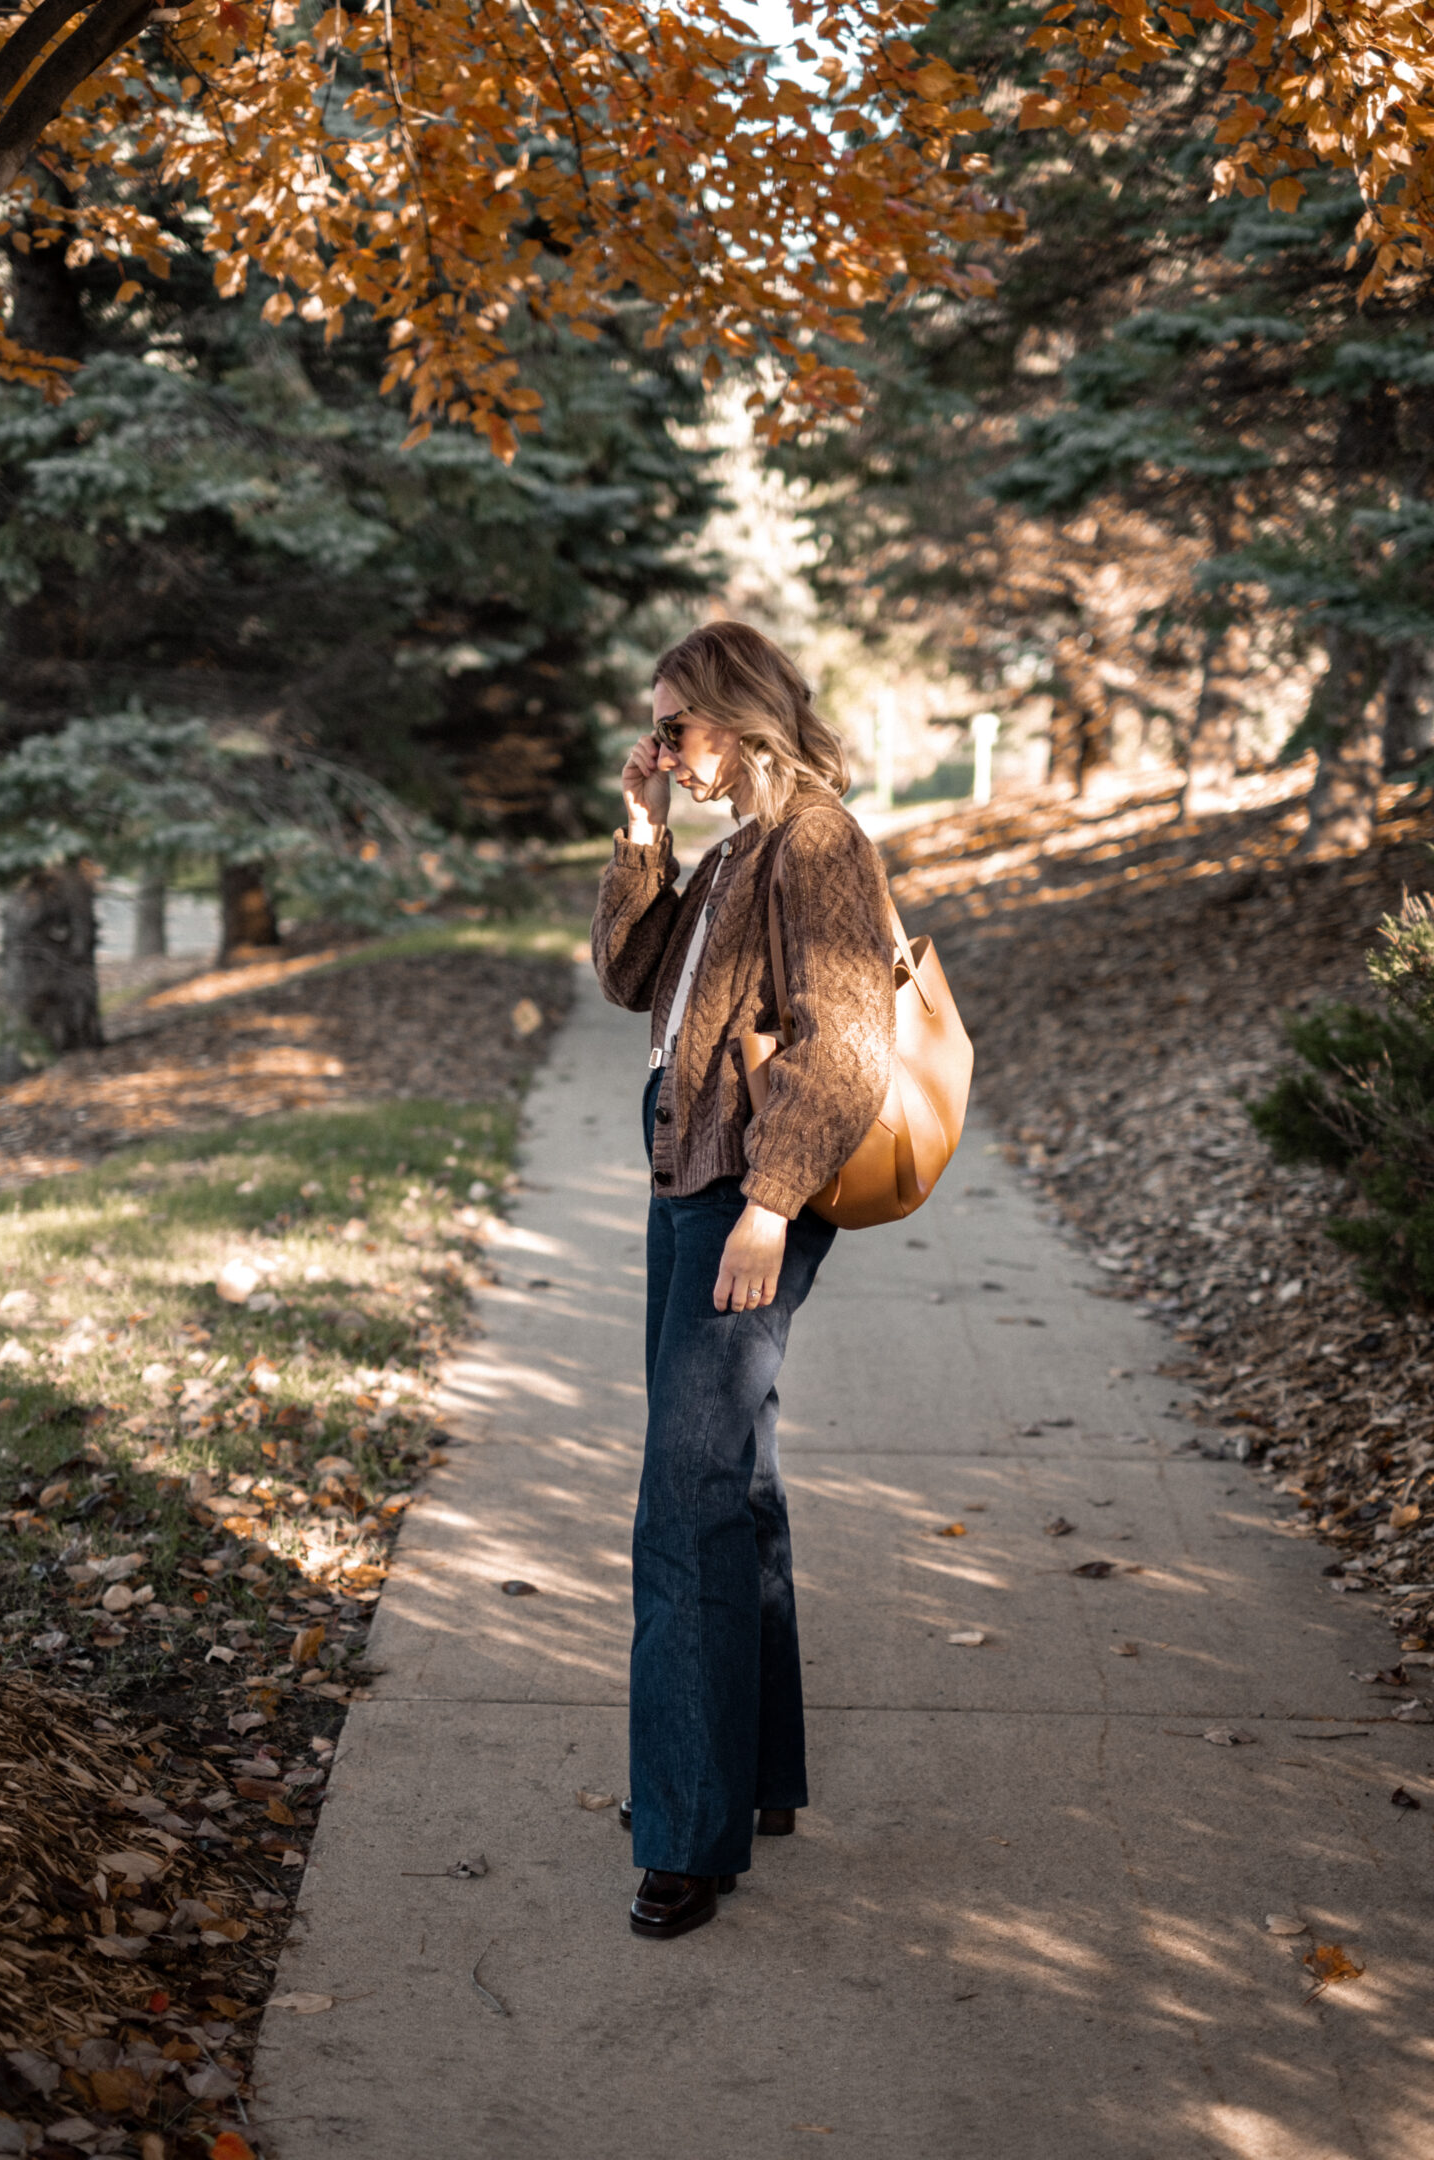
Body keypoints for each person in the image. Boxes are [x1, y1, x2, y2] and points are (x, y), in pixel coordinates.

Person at [591, 620, 898, 1940]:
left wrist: (771, 1207)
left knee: (688, 1498)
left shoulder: (817, 840)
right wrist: (643, 831)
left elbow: (849, 1043)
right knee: (734, 1479)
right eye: (657, 729)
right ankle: (748, 1776)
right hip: (696, 1175)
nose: (665, 746)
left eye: (679, 727)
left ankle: (686, 1831)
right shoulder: (735, 850)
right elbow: (629, 979)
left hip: (741, 1190)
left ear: (744, 718)